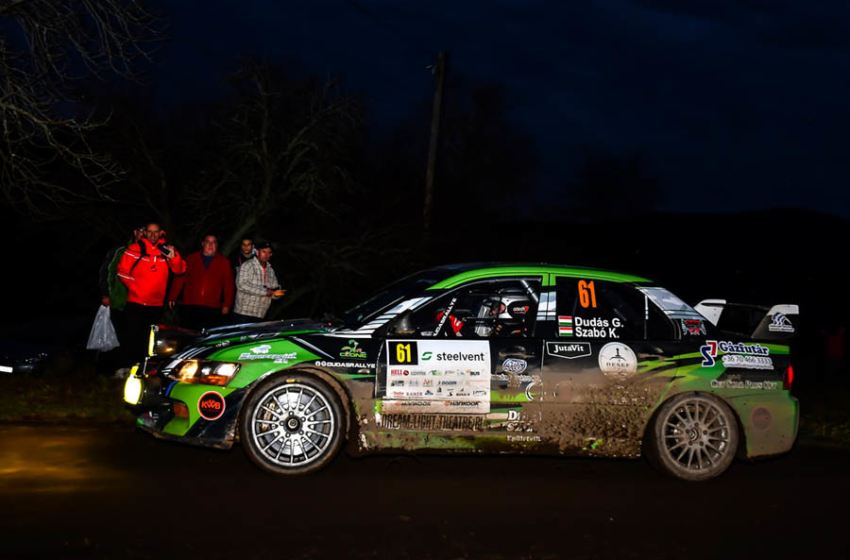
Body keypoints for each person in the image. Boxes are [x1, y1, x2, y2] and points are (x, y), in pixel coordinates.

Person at [116, 222, 186, 363]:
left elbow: (180, 270)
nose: (153, 235)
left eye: (156, 232)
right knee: (131, 335)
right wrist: (136, 288)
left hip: (156, 304)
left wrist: (173, 258)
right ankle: (126, 366)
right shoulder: (135, 248)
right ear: (145, 233)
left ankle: (143, 366)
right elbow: (122, 271)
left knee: (148, 337)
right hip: (136, 301)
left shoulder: (166, 249)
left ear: (160, 233)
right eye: (150, 231)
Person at [97, 225, 144, 374]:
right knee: (116, 336)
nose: (143, 233)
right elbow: (106, 272)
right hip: (119, 301)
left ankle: (132, 368)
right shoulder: (120, 251)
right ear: (135, 232)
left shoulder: (152, 253)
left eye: (147, 231)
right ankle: (111, 370)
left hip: (141, 302)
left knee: (136, 336)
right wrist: (106, 294)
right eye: (141, 230)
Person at [167, 234, 234, 331]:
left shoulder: (224, 262)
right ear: (202, 244)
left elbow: (229, 285)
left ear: (217, 245)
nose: (210, 245)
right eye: (208, 242)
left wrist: (227, 304)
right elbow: (180, 277)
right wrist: (173, 296)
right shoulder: (191, 258)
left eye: (213, 242)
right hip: (190, 305)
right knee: (188, 334)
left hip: (212, 308)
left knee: (206, 335)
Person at [232, 241, 285, 324]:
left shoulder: (270, 270)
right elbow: (241, 285)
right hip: (243, 313)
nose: (266, 255)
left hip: (260, 314)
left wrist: (277, 294)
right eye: (264, 252)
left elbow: (275, 288)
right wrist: (265, 292)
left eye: (269, 253)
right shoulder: (247, 265)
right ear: (257, 252)